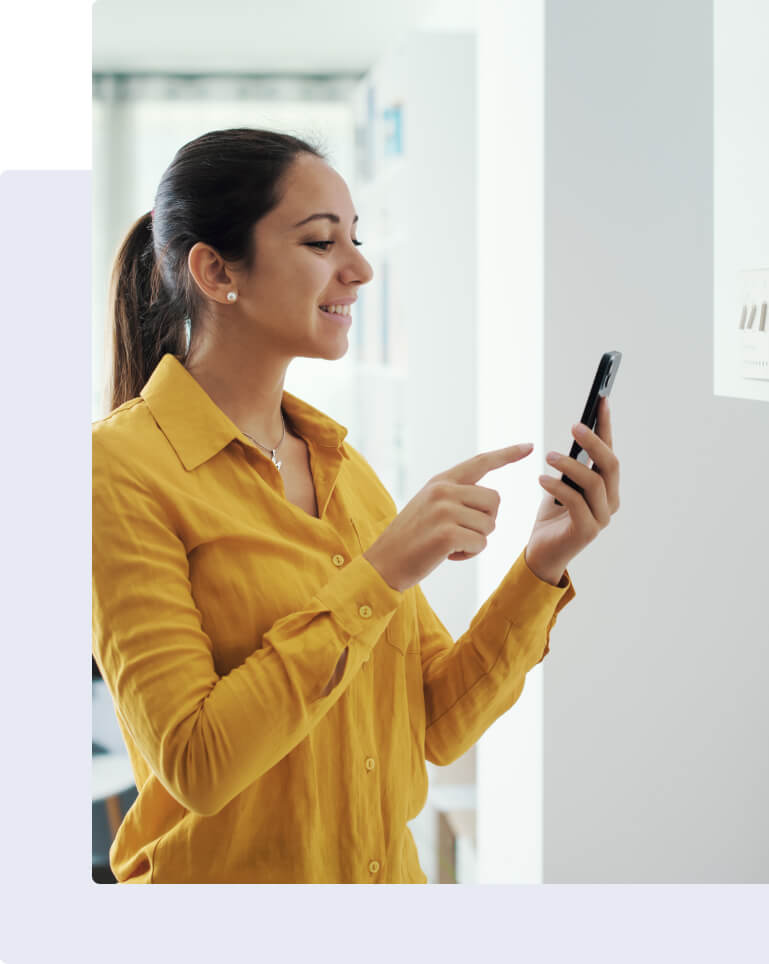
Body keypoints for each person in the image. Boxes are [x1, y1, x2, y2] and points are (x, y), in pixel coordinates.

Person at [91, 127, 620, 884]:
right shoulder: (122, 469)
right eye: (320, 243)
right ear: (214, 270)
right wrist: (379, 574)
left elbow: (436, 722)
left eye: (356, 240)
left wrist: (541, 565)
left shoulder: (341, 465)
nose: (361, 269)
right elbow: (198, 765)